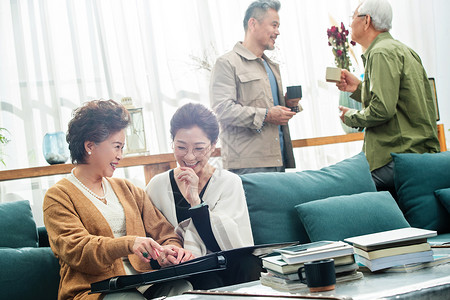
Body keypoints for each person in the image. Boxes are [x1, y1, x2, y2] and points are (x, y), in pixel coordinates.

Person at [43, 100, 194, 300]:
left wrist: (170, 250)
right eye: (117, 147)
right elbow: (78, 251)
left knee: (183, 288)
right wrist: (129, 243)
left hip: (145, 283)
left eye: (122, 148)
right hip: (95, 290)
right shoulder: (58, 196)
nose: (120, 155)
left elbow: (164, 232)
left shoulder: (127, 189)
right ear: (90, 145)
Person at [146, 103, 261, 289]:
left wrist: (195, 201)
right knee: (205, 279)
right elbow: (148, 240)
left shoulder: (229, 182)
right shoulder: (157, 186)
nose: (190, 157)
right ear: (172, 143)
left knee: (248, 265)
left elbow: (231, 245)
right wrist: (162, 256)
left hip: (228, 264)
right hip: (182, 269)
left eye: (199, 148)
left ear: (213, 145)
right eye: (181, 147)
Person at [336, 0, 440, 197]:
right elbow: (398, 98)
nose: (350, 24)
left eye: (352, 17)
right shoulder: (404, 50)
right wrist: (359, 88)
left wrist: (351, 116)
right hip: (420, 155)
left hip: (397, 158)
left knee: (349, 191)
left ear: (366, 21)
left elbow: (382, 109)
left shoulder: (380, 53)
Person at [210, 0, 300, 175]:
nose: (278, 32)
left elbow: (271, 109)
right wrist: (267, 115)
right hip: (248, 165)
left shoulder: (272, 66)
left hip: (278, 159)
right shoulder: (227, 63)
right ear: (253, 24)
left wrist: (288, 104)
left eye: (278, 26)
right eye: (274, 25)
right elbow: (222, 110)